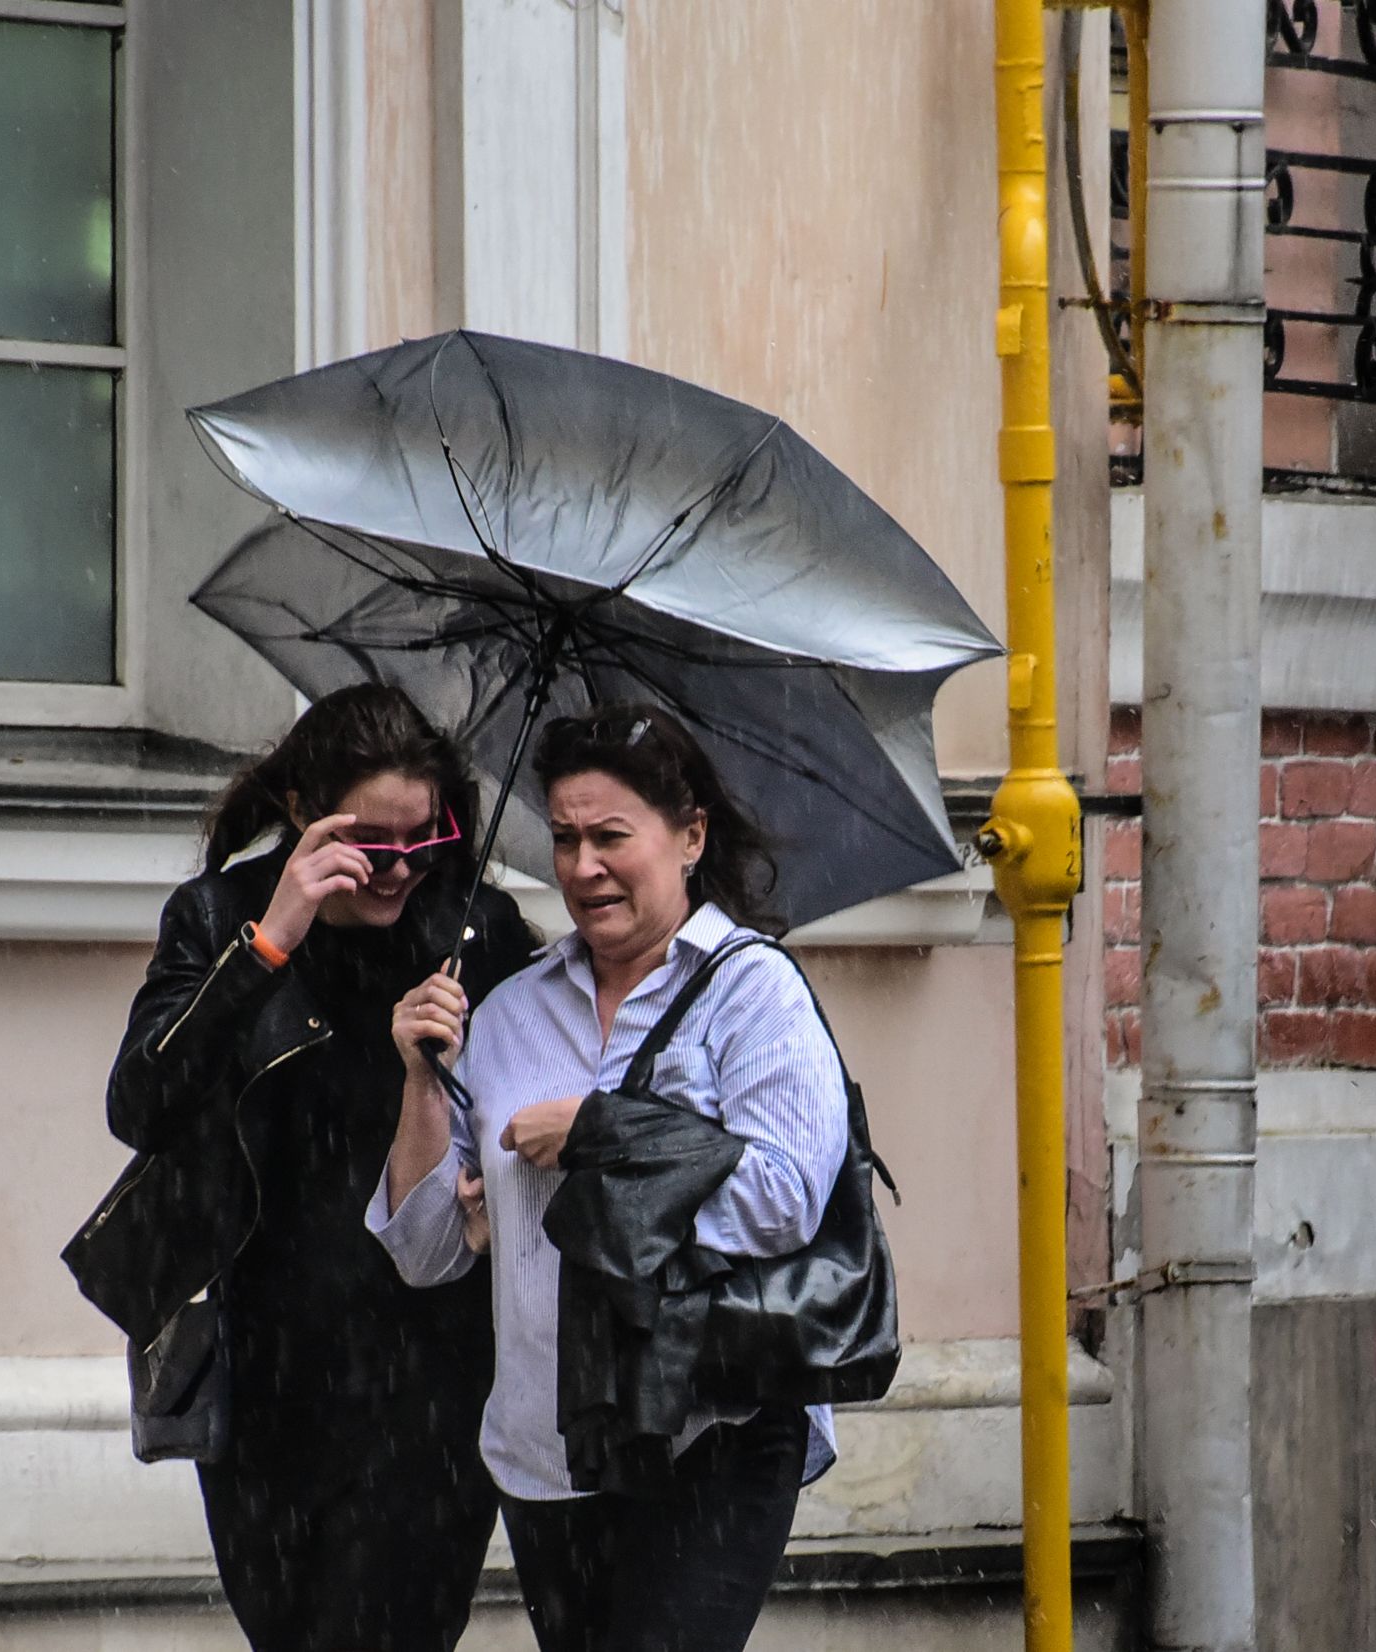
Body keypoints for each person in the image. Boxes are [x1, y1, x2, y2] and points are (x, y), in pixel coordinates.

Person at [372, 703, 850, 1652]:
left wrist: (596, 1135)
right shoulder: (507, 1013)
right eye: (562, 838)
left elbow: (784, 1198)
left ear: (689, 836)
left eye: (610, 837)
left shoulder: (753, 990)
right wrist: (422, 1077)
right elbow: (426, 1253)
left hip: (710, 1424)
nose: (582, 866)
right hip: (549, 1443)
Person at [103, 684, 537, 1652]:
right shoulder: (221, 916)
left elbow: (535, 1113)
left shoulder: (477, 932)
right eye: (369, 845)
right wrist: (270, 942)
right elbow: (140, 1103)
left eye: (420, 841)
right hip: (267, 1369)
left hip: (431, 1370)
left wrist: (488, 1173)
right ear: (301, 808)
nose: (395, 871)